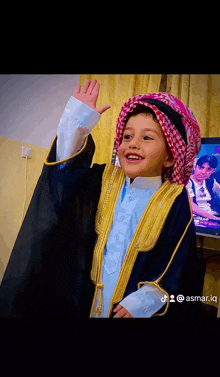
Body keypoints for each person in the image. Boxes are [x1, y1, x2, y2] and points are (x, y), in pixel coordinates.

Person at [0, 79, 204, 318]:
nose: (133, 144)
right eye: (127, 137)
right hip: (80, 301)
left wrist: (144, 301)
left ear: (170, 157)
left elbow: (177, 264)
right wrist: (78, 121)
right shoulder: (101, 179)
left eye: (147, 138)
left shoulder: (174, 197)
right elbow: (64, 178)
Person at [186, 155, 220, 221]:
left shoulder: (211, 182)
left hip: (213, 215)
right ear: (195, 167)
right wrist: (214, 218)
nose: (203, 172)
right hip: (195, 218)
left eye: (209, 169)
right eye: (201, 167)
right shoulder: (188, 182)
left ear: (212, 171)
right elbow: (191, 205)